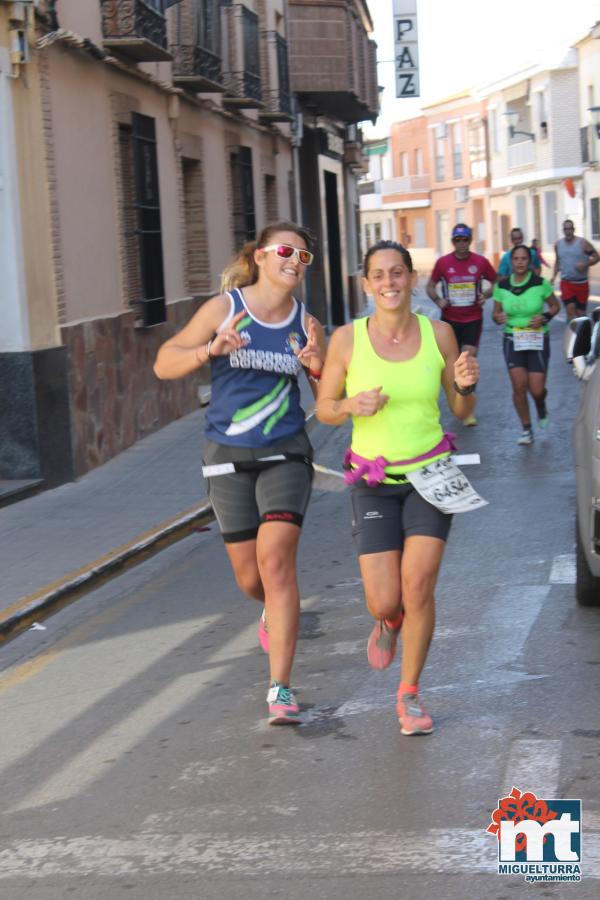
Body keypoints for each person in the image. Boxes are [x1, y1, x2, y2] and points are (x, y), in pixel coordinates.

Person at [154, 221, 326, 725]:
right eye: (285, 251)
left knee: (276, 564)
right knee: (251, 578)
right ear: (259, 256)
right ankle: (271, 609)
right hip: (226, 453)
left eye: (303, 256)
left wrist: (317, 367)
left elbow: (330, 403)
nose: (294, 261)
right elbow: (165, 362)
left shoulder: (307, 323)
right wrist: (210, 350)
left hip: (286, 452)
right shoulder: (224, 309)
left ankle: (282, 688)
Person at [316, 240, 480, 736]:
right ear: (366, 285)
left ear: (411, 278)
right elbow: (324, 406)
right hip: (373, 482)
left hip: (432, 476)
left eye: (397, 273)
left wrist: (468, 384)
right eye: (378, 275)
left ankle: (409, 693)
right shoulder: (346, 340)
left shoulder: (440, 335)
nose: (388, 283)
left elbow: (463, 412)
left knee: (420, 585)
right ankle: (388, 623)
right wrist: (349, 406)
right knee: (385, 600)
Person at [426, 223, 496, 427]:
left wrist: (485, 295)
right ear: (453, 242)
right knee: (452, 364)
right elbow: (430, 286)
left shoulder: (480, 262)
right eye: (458, 240)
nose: (462, 243)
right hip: (450, 321)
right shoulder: (443, 263)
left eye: (465, 239)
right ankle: (455, 400)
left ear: (470, 240)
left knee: (467, 360)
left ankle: (467, 410)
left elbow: (497, 281)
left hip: (473, 319)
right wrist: (438, 300)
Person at [492, 244, 560, 445]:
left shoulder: (541, 283)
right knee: (519, 387)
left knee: (537, 389)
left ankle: (541, 405)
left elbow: (555, 306)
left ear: (529, 262)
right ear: (511, 262)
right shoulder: (501, 286)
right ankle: (526, 429)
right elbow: (495, 314)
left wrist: (545, 317)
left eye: (523, 259)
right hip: (512, 338)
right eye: (516, 259)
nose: (520, 262)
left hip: (537, 338)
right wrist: (498, 317)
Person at [552, 219, 600, 320]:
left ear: (573, 229)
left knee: (581, 314)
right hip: (567, 283)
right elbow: (557, 261)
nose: (568, 231)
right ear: (563, 230)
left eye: (570, 229)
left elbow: (596, 256)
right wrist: (553, 276)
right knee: (571, 309)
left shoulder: (583, 243)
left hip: (581, 284)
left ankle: (583, 334)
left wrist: (586, 264)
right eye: (566, 229)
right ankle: (572, 334)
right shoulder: (558, 245)